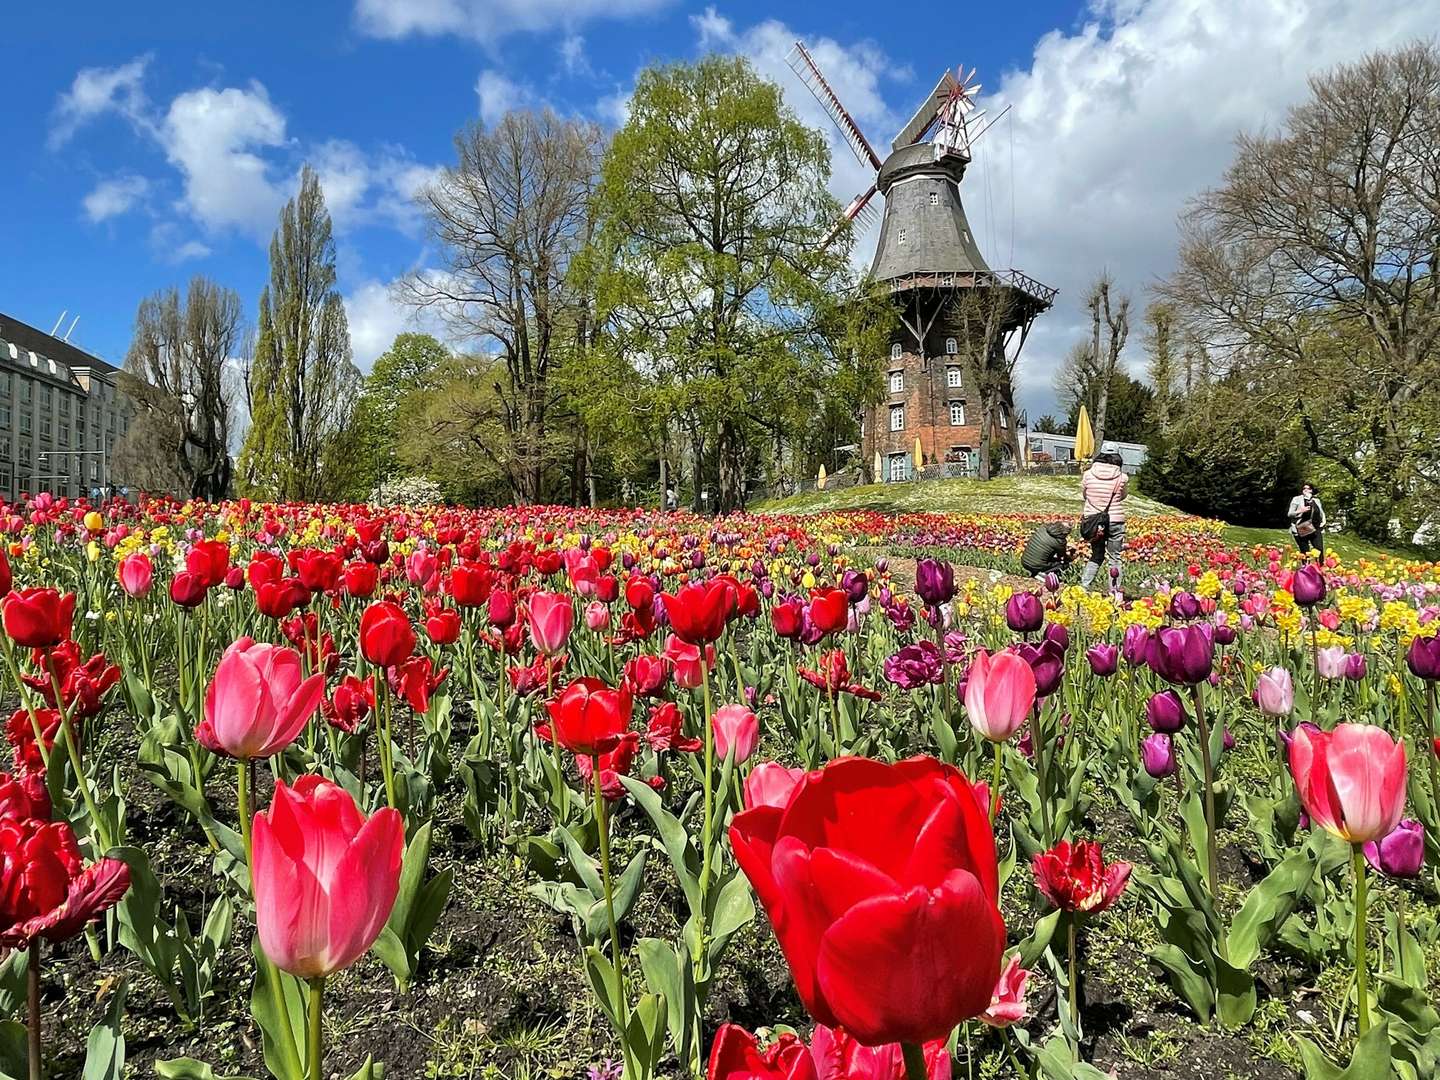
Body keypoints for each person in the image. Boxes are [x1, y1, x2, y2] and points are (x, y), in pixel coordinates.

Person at [1080, 442, 1129, 588]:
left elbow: (1085, 495)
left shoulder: (1088, 474)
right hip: (1115, 519)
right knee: (1115, 558)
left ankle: (1084, 587)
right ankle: (1114, 593)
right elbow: (1123, 496)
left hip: (1093, 522)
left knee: (1096, 555)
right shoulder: (1122, 477)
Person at [1287, 482, 1326, 560]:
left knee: (1319, 550)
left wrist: (1324, 521)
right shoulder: (1297, 499)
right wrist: (1301, 510)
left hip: (1315, 528)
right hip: (1302, 527)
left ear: (1311, 490)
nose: (1305, 490)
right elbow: (1290, 514)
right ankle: (1305, 570)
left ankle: (1320, 568)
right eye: (1304, 488)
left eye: (1308, 488)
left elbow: (1321, 512)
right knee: (1305, 553)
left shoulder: (1316, 500)